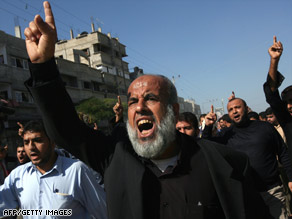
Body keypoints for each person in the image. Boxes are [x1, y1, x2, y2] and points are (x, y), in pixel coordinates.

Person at [23, 2, 272, 219]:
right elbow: (65, 130)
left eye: (150, 98)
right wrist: (43, 66)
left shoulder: (223, 162)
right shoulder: (115, 157)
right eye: (132, 101)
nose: (139, 106)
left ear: (173, 110)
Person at [203, 98, 292, 219]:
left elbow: (283, 153)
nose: (234, 111)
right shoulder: (226, 134)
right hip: (245, 195)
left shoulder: (265, 127)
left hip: (272, 191)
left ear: (246, 108)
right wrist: (208, 127)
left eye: (237, 107)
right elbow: (206, 146)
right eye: (230, 109)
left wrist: (291, 178)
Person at [0, 120, 107, 219]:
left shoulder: (76, 171)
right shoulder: (18, 175)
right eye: (26, 142)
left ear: (52, 142)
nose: (31, 147)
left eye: (37, 140)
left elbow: (103, 213)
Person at [263, 36, 292, 158]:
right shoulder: (287, 120)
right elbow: (271, 93)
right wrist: (274, 61)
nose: (289, 106)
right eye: (287, 103)